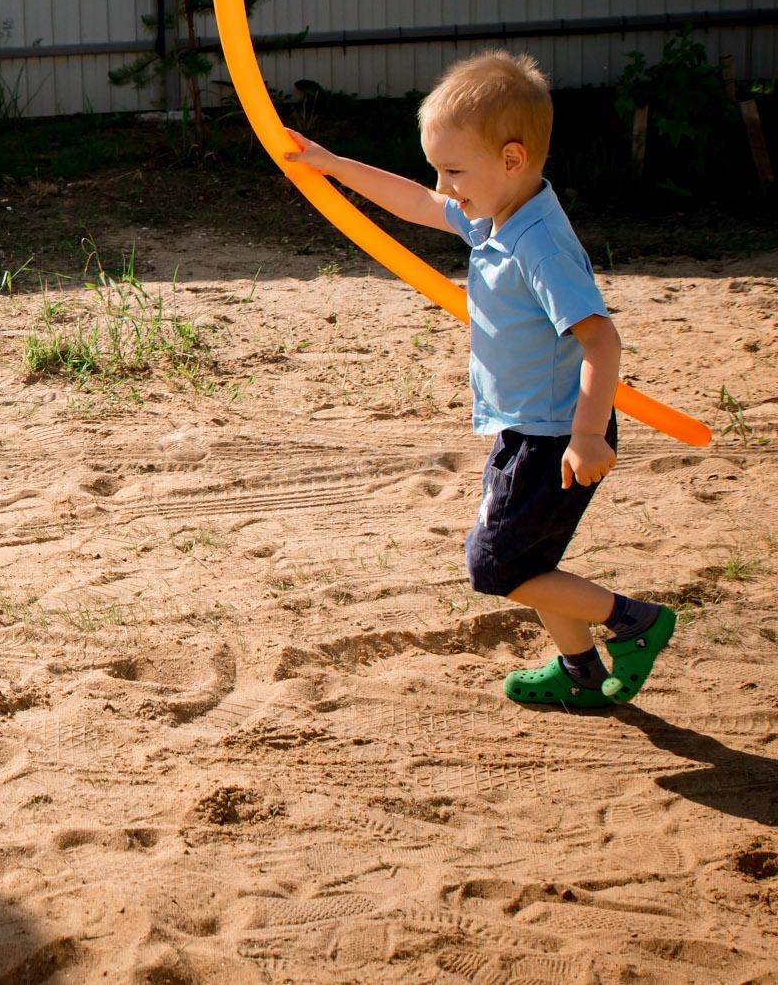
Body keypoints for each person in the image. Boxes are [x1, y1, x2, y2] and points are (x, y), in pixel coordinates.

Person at [284, 50, 674, 706]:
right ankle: (581, 670)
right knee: (529, 563)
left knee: (496, 566)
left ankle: (633, 620)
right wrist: (332, 163)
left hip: (557, 437)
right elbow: (417, 203)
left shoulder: (539, 245)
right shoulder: (499, 211)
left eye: (453, 170)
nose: (443, 184)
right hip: (526, 428)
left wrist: (586, 434)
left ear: (512, 159)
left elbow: (602, 338)